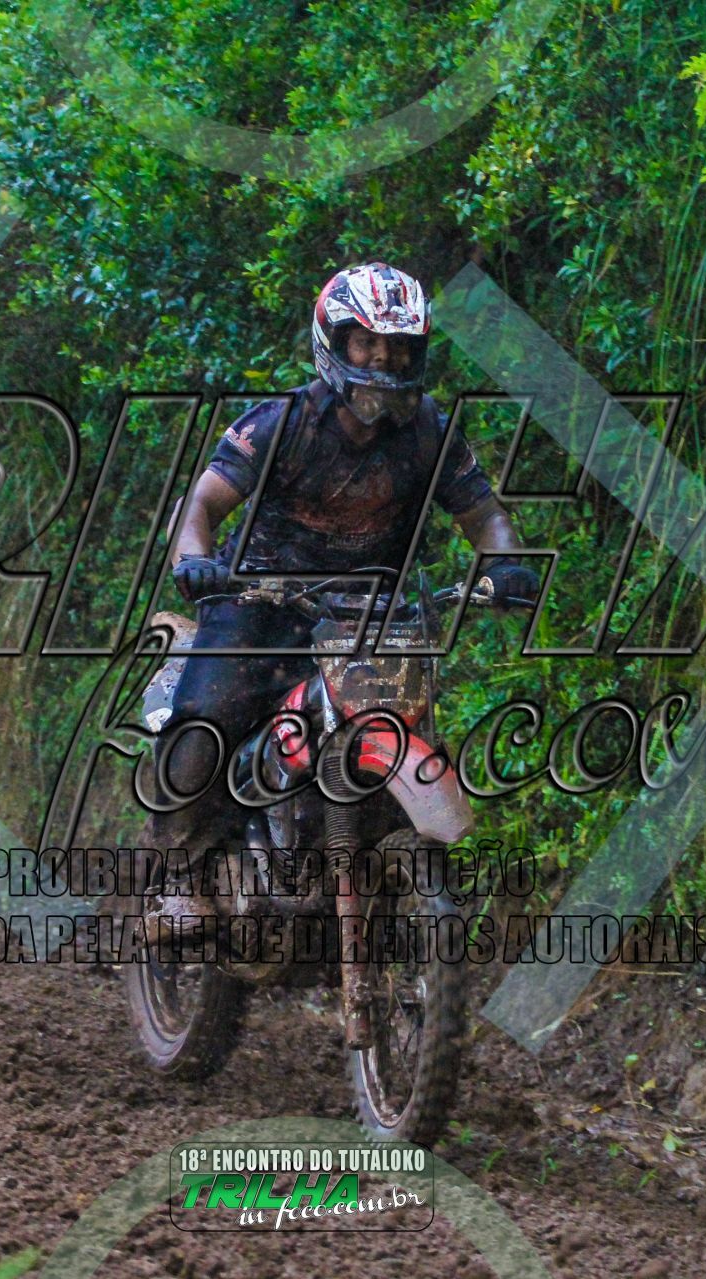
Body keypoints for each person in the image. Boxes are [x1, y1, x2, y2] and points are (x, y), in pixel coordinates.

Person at [145, 262, 538, 942]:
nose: (384, 360)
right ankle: (177, 876)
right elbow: (201, 504)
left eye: (399, 347)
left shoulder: (429, 432)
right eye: (367, 343)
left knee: (412, 725)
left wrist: (504, 565)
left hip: (370, 612)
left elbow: (484, 514)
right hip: (259, 596)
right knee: (209, 712)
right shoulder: (283, 423)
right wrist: (194, 562)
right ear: (335, 343)